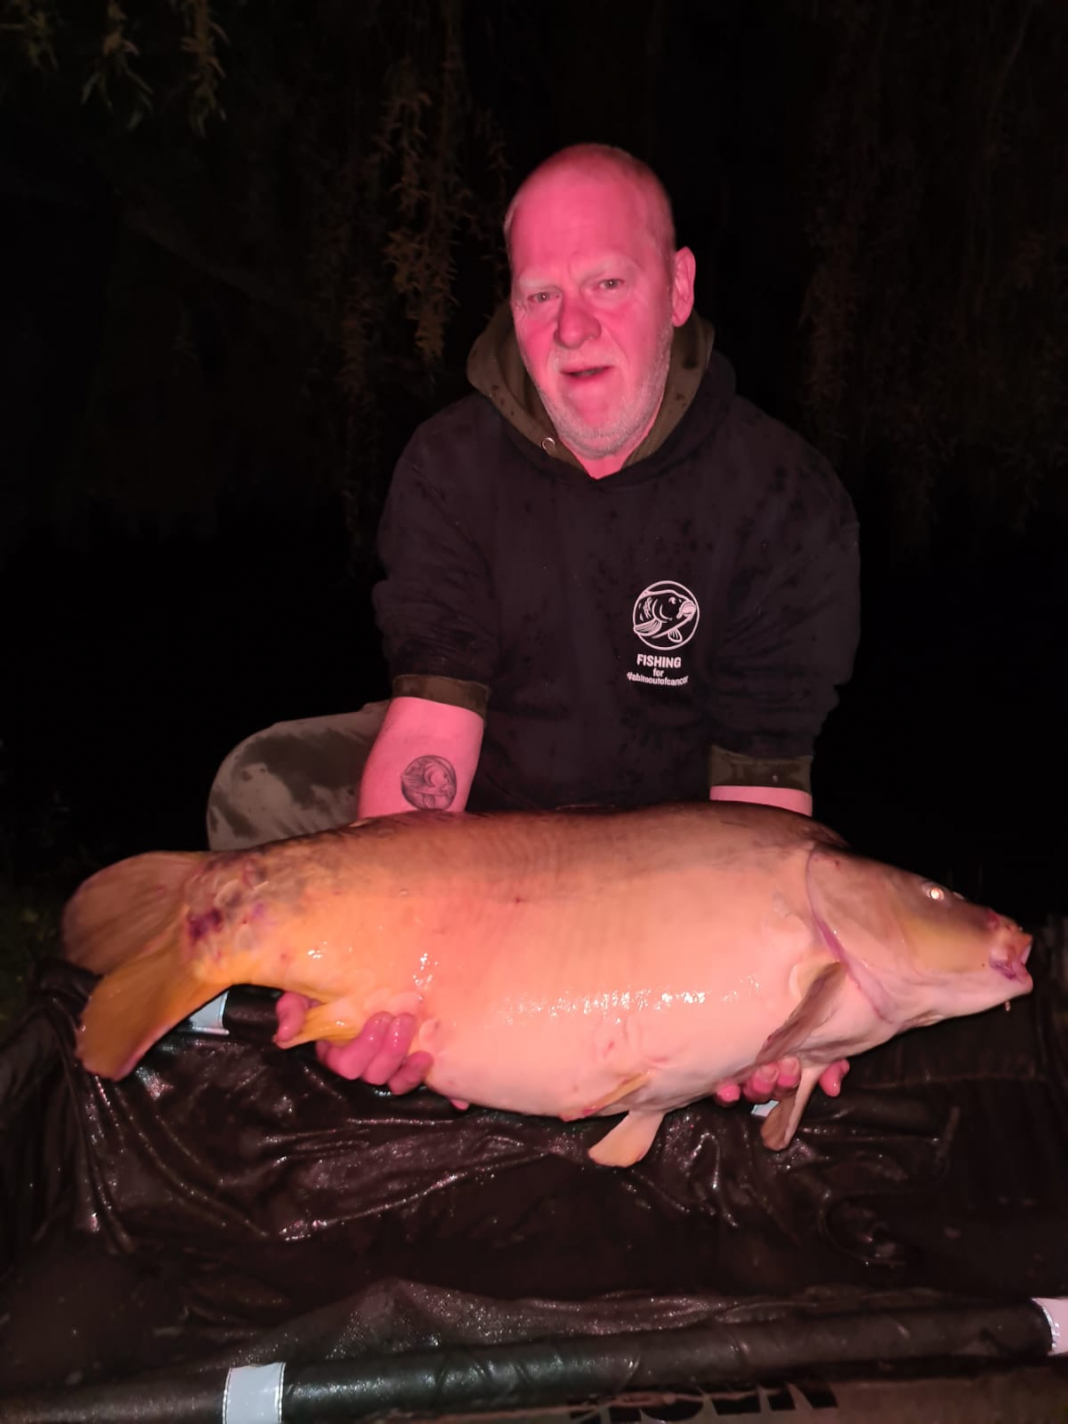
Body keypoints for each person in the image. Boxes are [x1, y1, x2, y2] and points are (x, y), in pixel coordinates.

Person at [207, 143, 861, 1108]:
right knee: (260, 796)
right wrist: (399, 980)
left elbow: (758, 804)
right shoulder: (451, 466)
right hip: (487, 823)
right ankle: (316, 1005)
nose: (572, 327)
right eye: (539, 295)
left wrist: (771, 1004)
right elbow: (430, 738)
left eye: (608, 283)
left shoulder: (783, 499)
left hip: (666, 851)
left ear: (678, 288)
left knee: (817, 915)